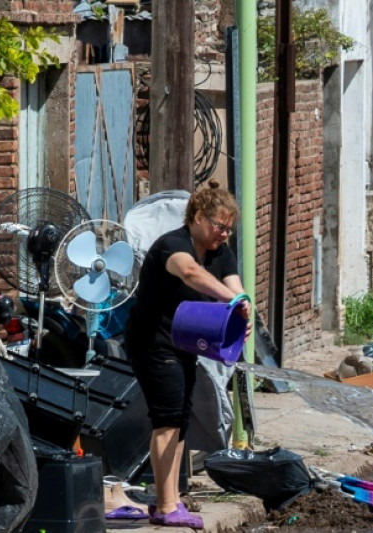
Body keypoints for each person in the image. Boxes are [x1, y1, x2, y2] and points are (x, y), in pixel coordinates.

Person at [124, 182, 252, 529]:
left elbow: (236, 288)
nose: (224, 234)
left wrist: (242, 310)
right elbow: (191, 273)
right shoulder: (173, 246)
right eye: (219, 226)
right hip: (151, 342)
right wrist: (231, 299)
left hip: (183, 343)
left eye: (229, 229)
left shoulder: (219, 251)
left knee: (179, 418)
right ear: (198, 218)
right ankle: (166, 505)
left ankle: (170, 500)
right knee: (166, 419)